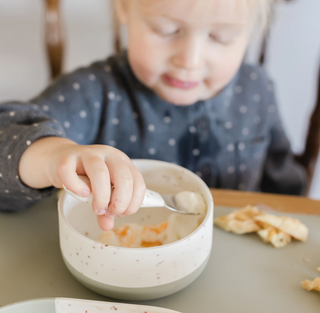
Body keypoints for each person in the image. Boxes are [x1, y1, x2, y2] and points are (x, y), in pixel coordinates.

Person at [0, 0, 306, 230]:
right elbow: (6, 136)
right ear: (123, 6)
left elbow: (287, 191)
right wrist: (53, 156)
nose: (190, 60)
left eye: (220, 37)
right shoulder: (94, 92)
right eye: (167, 30)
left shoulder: (256, 91)